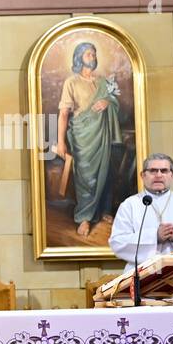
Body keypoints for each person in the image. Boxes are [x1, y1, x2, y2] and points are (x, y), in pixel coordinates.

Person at [53, 41, 123, 239]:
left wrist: (107, 101)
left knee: (106, 171)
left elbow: (115, 104)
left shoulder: (103, 82)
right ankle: (84, 217)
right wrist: (60, 142)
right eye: (88, 54)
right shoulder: (71, 82)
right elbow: (64, 114)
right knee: (85, 177)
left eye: (93, 54)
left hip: (103, 133)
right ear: (79, 58)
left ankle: (103, 211)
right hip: (82, 136)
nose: (92, 57)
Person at [109, 153, 173, 272]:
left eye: (164, 171)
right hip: (142, 277)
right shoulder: (129, 205)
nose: (158, 175)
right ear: (143, 175)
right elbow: (117, 242)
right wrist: (154, 236)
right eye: (153, 171)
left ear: (172, 175)